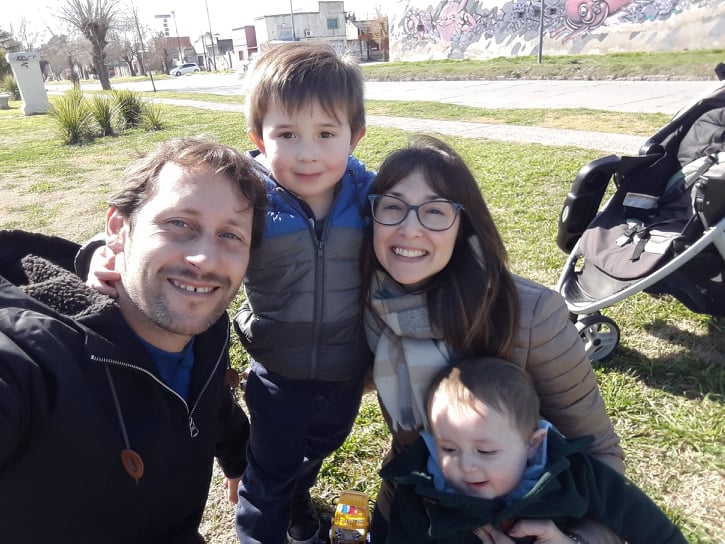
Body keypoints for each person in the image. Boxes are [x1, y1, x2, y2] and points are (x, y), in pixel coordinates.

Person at [0, 137, 267, 544]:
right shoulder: (35, 358)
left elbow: (208, 396)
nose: (204, 260)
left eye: (231, 235)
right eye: (180, 224)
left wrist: (238, 454)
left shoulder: (207, 332)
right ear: (117, 230)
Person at [361, 135, 626, 544]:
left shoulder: (531, 316)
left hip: (511, 522)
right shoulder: (371, 305)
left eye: (435, 211)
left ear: (464, 225)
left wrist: (576, 541)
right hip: (410, 503)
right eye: (392, 207)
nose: (409, 229)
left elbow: (598, 452)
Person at [231, 40, 376, 544]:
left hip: (347, 372)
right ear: (258, 137)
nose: (307, 152)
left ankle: (298, 499)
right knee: (267, 476)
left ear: (355, 136)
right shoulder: (243, 197)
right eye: (287, 134)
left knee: (319, 448)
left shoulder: (373, 195)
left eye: (326, 133)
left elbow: (433, 219)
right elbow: (173, 222)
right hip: (278, 374)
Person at [380, 356, 687, 544]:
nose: (466, 465)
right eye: (449, 448)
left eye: (486, 452)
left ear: (532, 444)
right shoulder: (424, 495)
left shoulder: (572, 474)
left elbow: (647, 524)